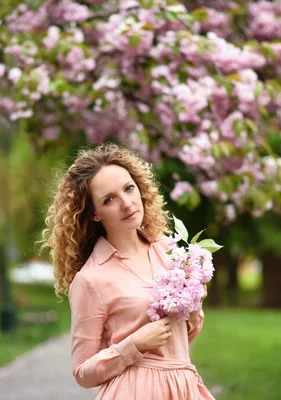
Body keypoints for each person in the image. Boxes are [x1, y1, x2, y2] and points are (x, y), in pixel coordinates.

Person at [40, 143, 214, 399]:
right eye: (109, 199)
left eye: (128, 189)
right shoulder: (91, 279)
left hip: (182, 386)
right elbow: (82, 372)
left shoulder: (171, 253)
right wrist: (134, 345)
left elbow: (179, 338)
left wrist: (194, 305)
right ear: (95, 214)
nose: (126, 203)